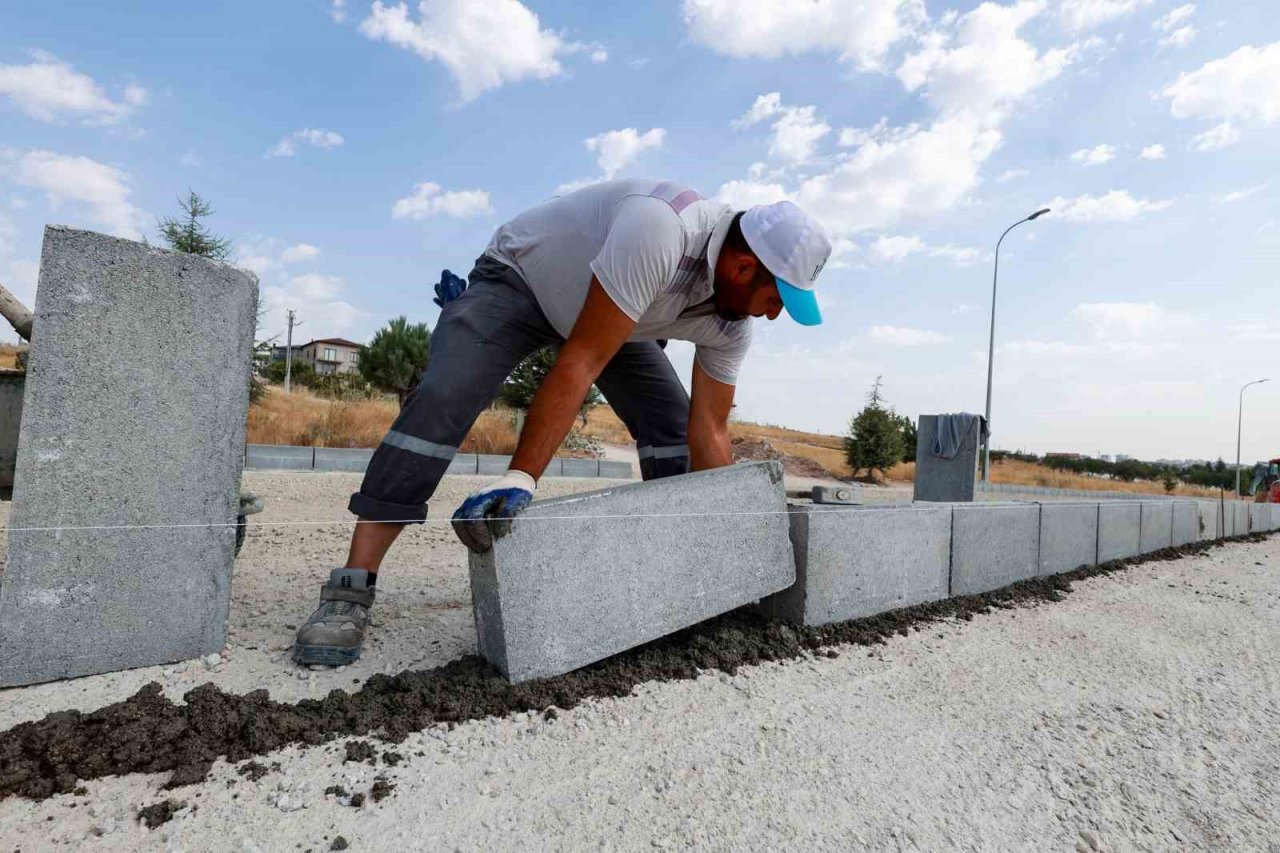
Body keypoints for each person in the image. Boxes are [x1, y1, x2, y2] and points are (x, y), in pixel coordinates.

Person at [292, 178, 831, 666]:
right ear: (742, 269)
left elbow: (709, 429)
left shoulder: (730, 326)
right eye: (776, 299)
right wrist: (519, 477)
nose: (773, 314)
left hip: (615, 315)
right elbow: (580, 362)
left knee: (668, 421)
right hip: (523, 281)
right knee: (446, 395)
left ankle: (685, 579)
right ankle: (351, 587)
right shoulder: (661, 230)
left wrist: (732, 539)